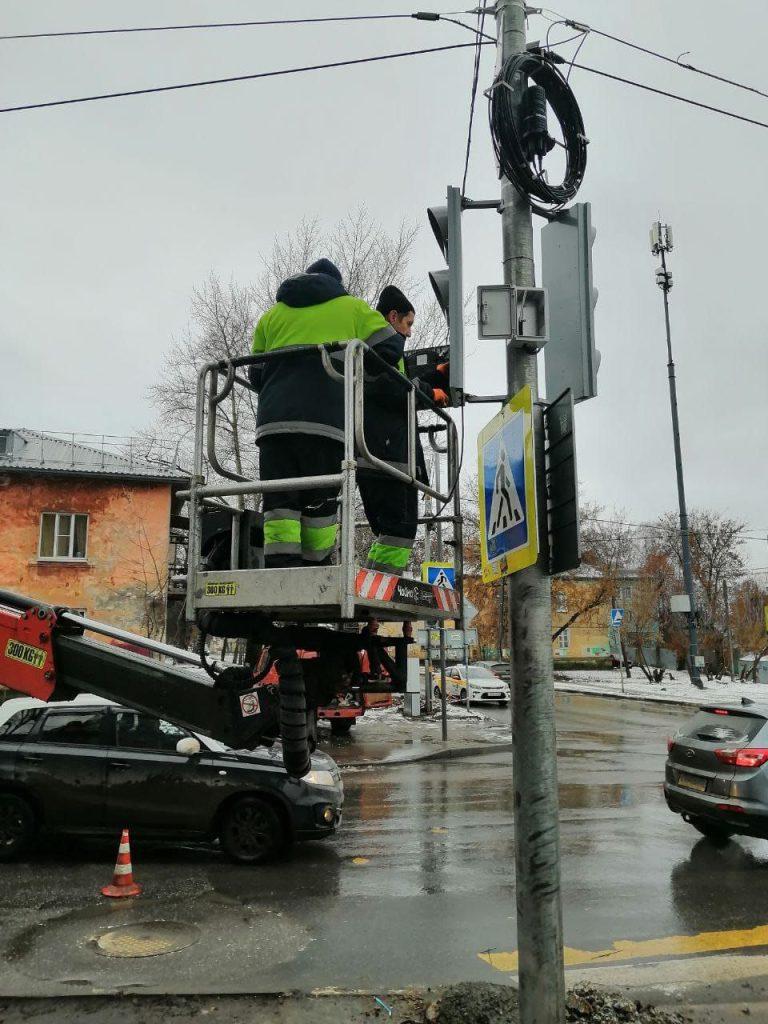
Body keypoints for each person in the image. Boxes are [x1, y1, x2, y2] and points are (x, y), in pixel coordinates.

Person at [249, 259, 400, 568]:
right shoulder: (353, 308)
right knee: (320, 505)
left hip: (274, 425)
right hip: (326, 423)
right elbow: (391, 346)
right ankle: (315, 570)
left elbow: (255, 375)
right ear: (337, 284)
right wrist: (361, 375)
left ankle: (280, 569)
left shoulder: (271, 316)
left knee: (279, 504)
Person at [357, 285, 449, 576]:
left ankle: (373, 585)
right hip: (389, 455)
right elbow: (392, 388)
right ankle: (379, 589)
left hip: (376, 452)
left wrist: (435, 377)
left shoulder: (375, 348)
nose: (409, 333)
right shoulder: (382, 346)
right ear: (393, 316)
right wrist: (430, 393)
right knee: (401, 528)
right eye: (408, 324)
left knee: (389, 531)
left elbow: (397, 382)